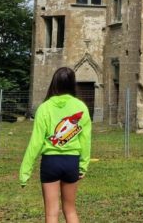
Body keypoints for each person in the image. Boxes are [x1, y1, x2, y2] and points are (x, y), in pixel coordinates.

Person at [19, 67, 92, 223]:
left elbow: (36, 141)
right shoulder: (81, 107)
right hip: (71, 161)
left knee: (52, 213)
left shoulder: (44, 108)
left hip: (50, 162)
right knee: (70, 210)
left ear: (54, 83)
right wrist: (83, 165)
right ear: (73, 84)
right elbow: (86, 141)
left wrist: (25, 171)